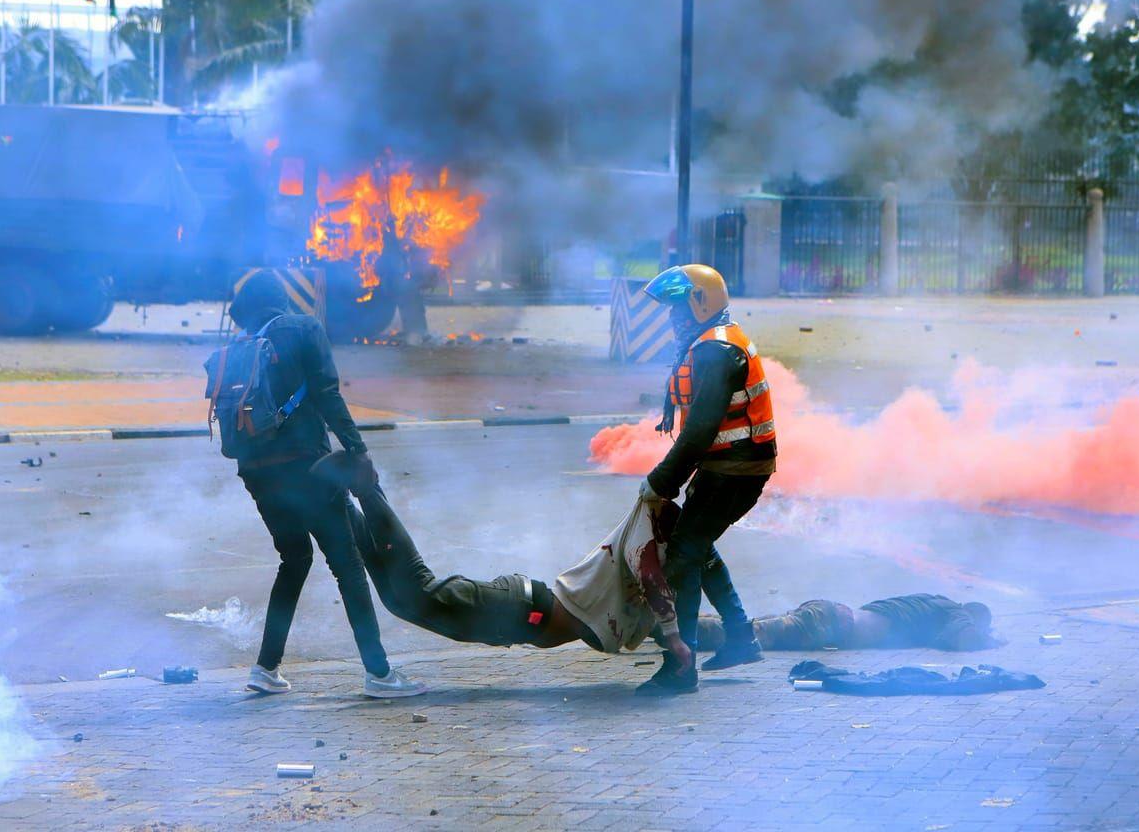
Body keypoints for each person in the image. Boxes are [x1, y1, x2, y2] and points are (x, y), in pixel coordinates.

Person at [313, 452, 696, 680]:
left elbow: (658, 604)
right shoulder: (647, 536)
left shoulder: (652, 555)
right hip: (521, 609)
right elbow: (651, 579)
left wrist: (717, 634)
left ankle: (343, 503)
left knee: (401, 601)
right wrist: (676, 639)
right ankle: (363, 482)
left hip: (515, 618)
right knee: (418, 588)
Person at [225, 271, 424, 699]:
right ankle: (379, 674)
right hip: (306, 467)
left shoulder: (240, 345)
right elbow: (327, 393)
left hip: (257, 474)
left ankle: (265, 667)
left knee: (294, 560)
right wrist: (357, 448)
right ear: (283, 299)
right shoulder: (303, 329)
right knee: (347, 565)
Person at [636, 264, 776, 696]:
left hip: (734, 471)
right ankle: (741, 638)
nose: (672, 319)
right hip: (732, 467)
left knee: (683, 555)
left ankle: (682, 665)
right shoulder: (714, 340)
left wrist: (660, 481)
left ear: (702, 302)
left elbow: (698, 432)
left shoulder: (716, 351)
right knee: (695, 543)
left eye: (679, 309)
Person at [694, 595, 1000, 653]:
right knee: (752, 635)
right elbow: (966, 639)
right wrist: (992, 641)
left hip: (830, 615)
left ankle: (678, 626)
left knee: (749, 627)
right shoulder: (955, 610)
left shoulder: (932, 602)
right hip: (831, 624)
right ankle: (678, 631)